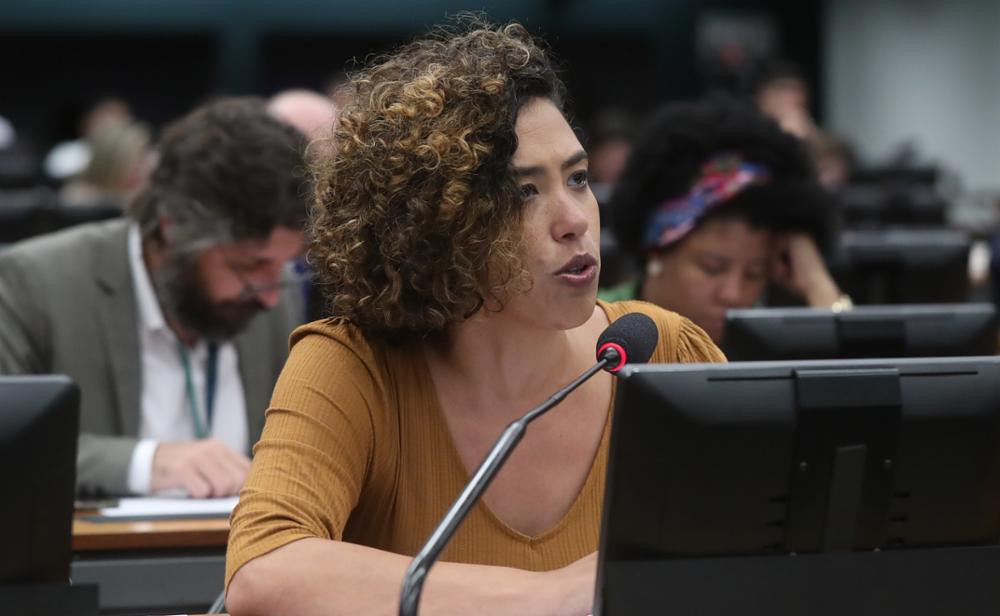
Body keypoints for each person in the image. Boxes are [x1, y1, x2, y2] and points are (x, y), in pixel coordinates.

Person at [224, 20, 725, 616]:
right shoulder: (353, 366)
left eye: (578, 178)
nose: (574, 220)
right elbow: (264, 573)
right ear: (439, 227)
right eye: (523, 192)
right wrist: (551, 596)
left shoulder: (656, 349)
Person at [0, 97, 308, 498]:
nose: (269, 296)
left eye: (283, 264)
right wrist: (144, 463)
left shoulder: (276, 293)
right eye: (246, 266)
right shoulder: (36, 283)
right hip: (107, 557)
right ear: (173, 227)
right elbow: (9, 446)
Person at [603, 99, 847, 343]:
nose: (733, 294)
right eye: (712, 267)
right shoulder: (592, 327)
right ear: (656, 250)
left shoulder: (772, 341)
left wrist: (817, 285)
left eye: (755, 273)